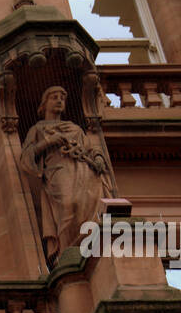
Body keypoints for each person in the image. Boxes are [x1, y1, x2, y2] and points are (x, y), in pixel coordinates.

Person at [18, 85, 112, 264]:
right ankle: (66, 252)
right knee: (68, 205)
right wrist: (48, 142)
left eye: (62, 97)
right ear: (44, 105)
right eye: (54, 97)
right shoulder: (38, 129)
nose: (59, 100)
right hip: (58, 170)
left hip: (84, 169)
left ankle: (88, 250)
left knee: (87, 205)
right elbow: (27, 156)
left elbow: (91, 149)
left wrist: (98, 159)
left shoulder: (74, 128)